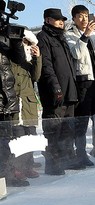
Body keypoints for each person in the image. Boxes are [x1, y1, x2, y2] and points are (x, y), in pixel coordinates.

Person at [65, 5, 95, 168]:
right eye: (80, 16)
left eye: (86, 16)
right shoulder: (70, 35)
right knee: (82, 121)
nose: (84, 19)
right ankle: (80, 153)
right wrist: (85, 35)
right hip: (83, 82)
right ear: (74, 19)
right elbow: (76, 54)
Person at [37, 8, 79, 175]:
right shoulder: (43, 38)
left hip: (69, 90)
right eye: (57, 19)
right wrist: (55, 87)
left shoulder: (61, 38)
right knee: (54, 129)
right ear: (48, 20)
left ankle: (67, 159)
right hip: (55, 92)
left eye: (62, 19)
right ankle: (53, 164)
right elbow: (46, 65)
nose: (61, 21)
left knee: (68, 128)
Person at [10, 29, 42, 179]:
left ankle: (28, 166)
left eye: (29, 44)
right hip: (15, 104)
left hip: (28, 104)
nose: (26, 46)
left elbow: (36, 76)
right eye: (24, 43)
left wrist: (37, 58)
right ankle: (17, 169)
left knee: (30, 137)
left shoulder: (29, 62)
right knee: (17, 138)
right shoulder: (11, 59)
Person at [0, 22, 27, 186]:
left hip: (7, 95)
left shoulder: (4, 37)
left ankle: (6, 175)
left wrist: (16, 41)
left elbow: (19, 60)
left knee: (6, 140)